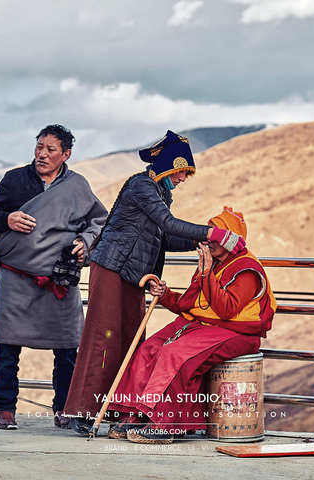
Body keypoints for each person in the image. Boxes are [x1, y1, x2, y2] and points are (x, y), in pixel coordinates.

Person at [63, 130, 247, 434]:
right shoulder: (141, 185)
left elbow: (165, 236)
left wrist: (200, 244)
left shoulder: (160, 192)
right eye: (181, 171)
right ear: (166, 166)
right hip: (111, 267)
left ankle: (115, 408)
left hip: (134, 274)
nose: (184, 178)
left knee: (131, 339)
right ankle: (81, 411)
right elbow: (167, 223)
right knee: (103, 339)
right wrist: (214, 234)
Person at [107, 207, 277, 444]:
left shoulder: (245, 269)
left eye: (215, 236)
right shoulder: (212, 263)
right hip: (200, 325)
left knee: (175, 354)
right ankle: (136, 414)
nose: (208, 240)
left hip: (235, 333)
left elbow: (226, 310)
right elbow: (189, 303)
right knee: (150, 348)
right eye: (208, 234)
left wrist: (206, 273)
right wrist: (165, 294)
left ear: (231, 240)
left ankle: (165, 424)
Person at [0, 124, 107, 430]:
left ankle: (64, 408)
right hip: (16, 276)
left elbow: (100, 221)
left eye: (51, 149)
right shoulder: (15, 180)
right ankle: (5, 409)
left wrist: (85, 242)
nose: (42, 154)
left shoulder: (77, 186)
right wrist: (7, 219)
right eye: (39, 147)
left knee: (66, 349)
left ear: (66, 154)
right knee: (7, 345)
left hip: (59, 281)